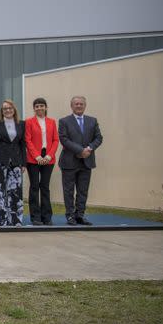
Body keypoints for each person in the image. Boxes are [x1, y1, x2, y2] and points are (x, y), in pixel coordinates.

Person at [58, 95, 103, 226]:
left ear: (85, 105)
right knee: (69, 191)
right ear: (71, 106)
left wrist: (89, 149)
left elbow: (99, 138)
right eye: (76, 104)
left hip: (87, 161)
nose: (78, 106)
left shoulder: (92, 121)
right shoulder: (64, 121)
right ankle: (70, 216)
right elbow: (64, 139)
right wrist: (80, 150)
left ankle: (80, 215)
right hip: (69, 162)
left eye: (81, 104)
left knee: (83, 191)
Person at [0, 99, 26, 226]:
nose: (8, 110)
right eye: (5, 109)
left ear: (14, 110)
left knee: (15, 190)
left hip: (15, 161)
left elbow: (22, 144)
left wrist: (23, 163)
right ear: (2, 111)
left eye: (10, 108)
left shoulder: (21, 124)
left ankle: (15, 220)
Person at [24, 97, 59, 225]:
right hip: (33, 159)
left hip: (48, 159)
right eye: (37, 106)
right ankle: (35, 217)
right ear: (34, 108)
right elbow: (28, 140)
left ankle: (47, 217)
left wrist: (49, 156)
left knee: (45, 187)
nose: (39, 108)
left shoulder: (52, 122)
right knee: (34, 187)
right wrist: (37, 156)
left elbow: (56, 140)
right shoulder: (29, 122)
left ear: (46, 107)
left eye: (41, 105)